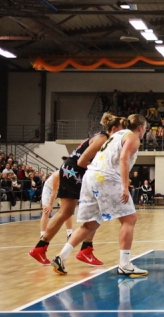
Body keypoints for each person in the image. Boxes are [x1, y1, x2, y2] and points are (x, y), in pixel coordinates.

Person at [52, 114, 147, 277]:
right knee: (129, 219)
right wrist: (125, 186)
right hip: (106, 178)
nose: (145, 131)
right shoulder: (133, 137)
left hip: (90, 177)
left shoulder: (116, 135)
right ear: (140, 127)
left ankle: (61, 257)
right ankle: (125, 264)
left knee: (90, 223)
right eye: (145, 128)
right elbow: (123, 159)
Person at [28, 113, 122, 266]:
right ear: (115, 129)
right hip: (73, 173)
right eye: (122, 130)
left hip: (76, 173)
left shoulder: (103, 138)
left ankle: (81, 249)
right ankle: (43, 247)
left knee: (90, 211)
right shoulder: (102, 139)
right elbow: (82, 161)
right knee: (68, 212)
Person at [39, 170, 73, 239]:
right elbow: (54, 191)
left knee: (67, 211)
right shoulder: (57, 175)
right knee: (46, 211)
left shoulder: (73, 175)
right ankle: (42, 234)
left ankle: (70, 233)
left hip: (61, 189)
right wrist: (50, 204)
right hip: (49, 189)